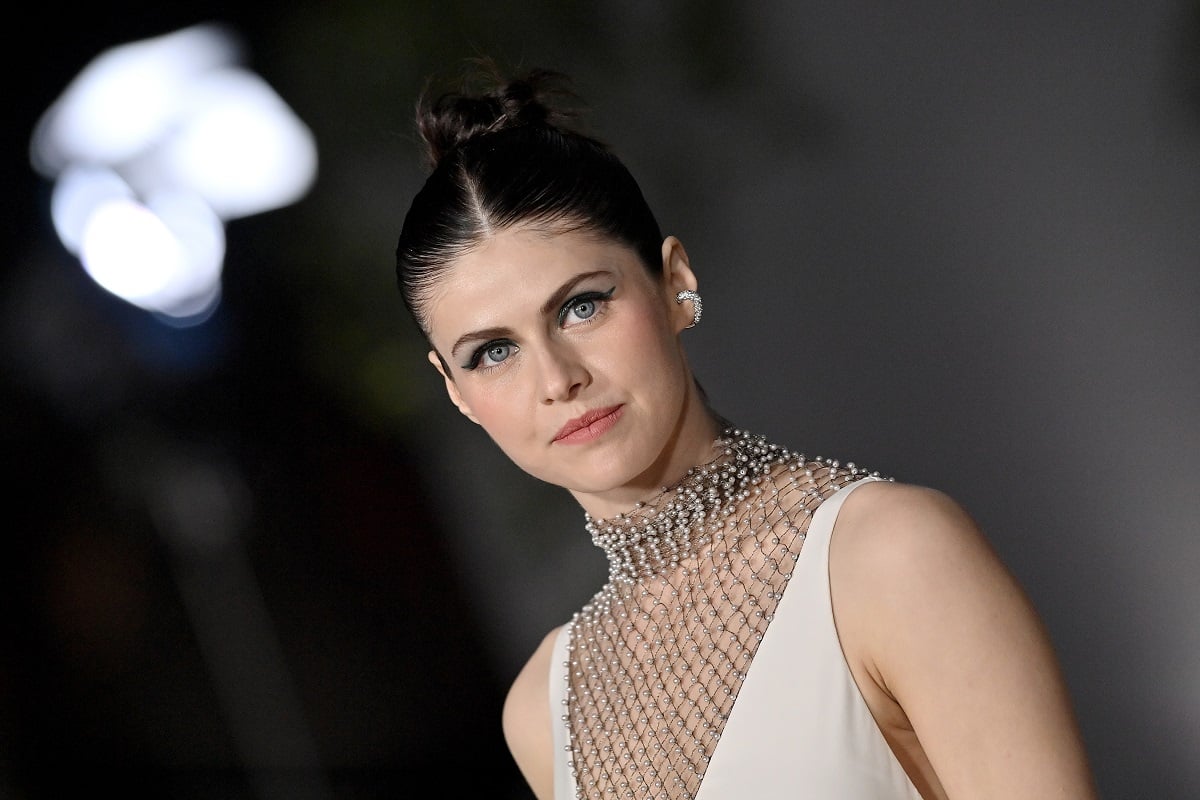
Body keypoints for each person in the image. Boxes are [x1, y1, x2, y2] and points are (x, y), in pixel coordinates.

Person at [394, 62, 1098, 800]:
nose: (556, 378)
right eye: (493, 352)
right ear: (457, 392)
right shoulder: (544, 707)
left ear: (674, 285)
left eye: (582, 306)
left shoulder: (890, 556)